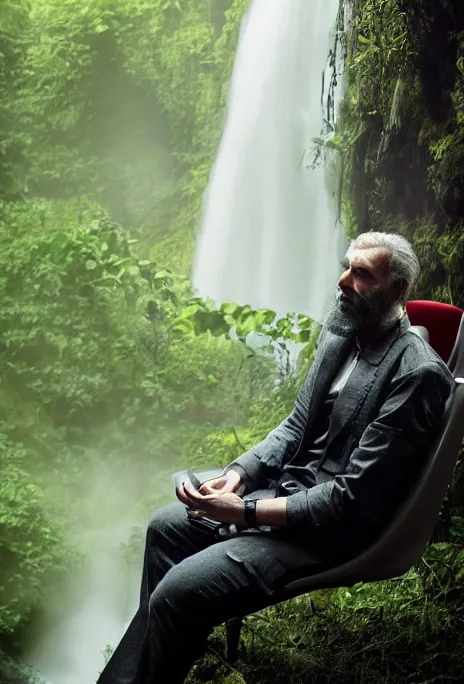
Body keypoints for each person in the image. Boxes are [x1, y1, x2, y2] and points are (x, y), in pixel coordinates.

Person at [97, 231, 455, 684]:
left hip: (328, 533)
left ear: (398, 291)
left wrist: (244, 513)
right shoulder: (342, 331)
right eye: (346, 266)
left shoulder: (417, 373)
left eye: (362, 274)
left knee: (177, 593)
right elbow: (295, 423)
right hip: (285, 497)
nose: (343, 281)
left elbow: (351, 500)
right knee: (165, 528)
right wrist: (237, 476)